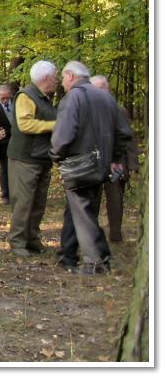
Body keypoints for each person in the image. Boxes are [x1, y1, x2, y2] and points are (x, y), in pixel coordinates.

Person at [51, 62, 132, 275]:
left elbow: (64, 134)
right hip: (101, 165)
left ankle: (96, 262)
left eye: (63, 78)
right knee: (78, 209)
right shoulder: (106, 98)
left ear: (70, 75)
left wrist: (56, 155)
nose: (62, 82)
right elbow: (124, 133)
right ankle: (67, 254)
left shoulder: (73, 98)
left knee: (83, 212)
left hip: (79, 165)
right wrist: (113, 157)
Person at [7, 60, 57, 257]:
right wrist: (55, 125)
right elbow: (25, 125)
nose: (57, 81)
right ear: (45, 78)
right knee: (24, 202)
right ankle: (17, 241)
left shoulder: (45, 98)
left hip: (41, 157)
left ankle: (32, 239)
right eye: (55, 77)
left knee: (38, 202)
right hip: (25, 158)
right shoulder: (26, 96)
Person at [91, 75, 140, 242]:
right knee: (92, 199)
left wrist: (132, 163)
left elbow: (129, 139)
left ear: (108, 89)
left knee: (115, 199)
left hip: (116, 162)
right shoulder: (86, 110)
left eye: (101, 88)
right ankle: (92, 235)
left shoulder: (119, 111)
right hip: (93, 163)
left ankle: (116, 235)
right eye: (94, 89)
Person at [0, 83, 16, 204]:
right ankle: (5, 194)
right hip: (4, 141)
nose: (5, 100)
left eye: (7, 98)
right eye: (2, 98)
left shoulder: (17, 103)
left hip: (17, 139)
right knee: (5, 167)